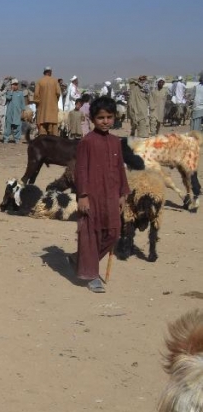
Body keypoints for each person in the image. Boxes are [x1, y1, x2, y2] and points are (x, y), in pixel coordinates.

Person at [71, 96, 129, 293]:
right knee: (91, 233)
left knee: (113, 232)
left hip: (112, 195)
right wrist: (83, 195)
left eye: (109, 117)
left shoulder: (115, 142)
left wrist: (123, 192)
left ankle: (81, 259)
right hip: (92, 195)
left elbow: (120, 168)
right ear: (92, 119)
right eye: (101, 117)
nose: (105, 121)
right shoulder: (87, 142)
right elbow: (81, 170)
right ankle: (91, 275)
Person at [34, 66, 62, 136]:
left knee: (43, 134)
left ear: (44, 72)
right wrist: (54, 101)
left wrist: (38, 105)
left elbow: (36, 95)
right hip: (52, 112)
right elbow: (58, 93)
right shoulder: (55, 81)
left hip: (42, 112)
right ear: (50, 72)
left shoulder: (40, 81)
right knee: (53, 134)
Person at [3, 79, 25, 143]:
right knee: (8, 127)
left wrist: (23, 111)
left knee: (17, 126)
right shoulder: (9, 92)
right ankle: (6, 139)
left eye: (16, 85)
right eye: (13, 85)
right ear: (11, 85)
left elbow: (22, 103)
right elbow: (8, 98)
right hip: (9, 112)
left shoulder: (20, 93)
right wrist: (11, 92)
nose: (15, 86)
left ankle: (17, 139)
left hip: (17, 113)